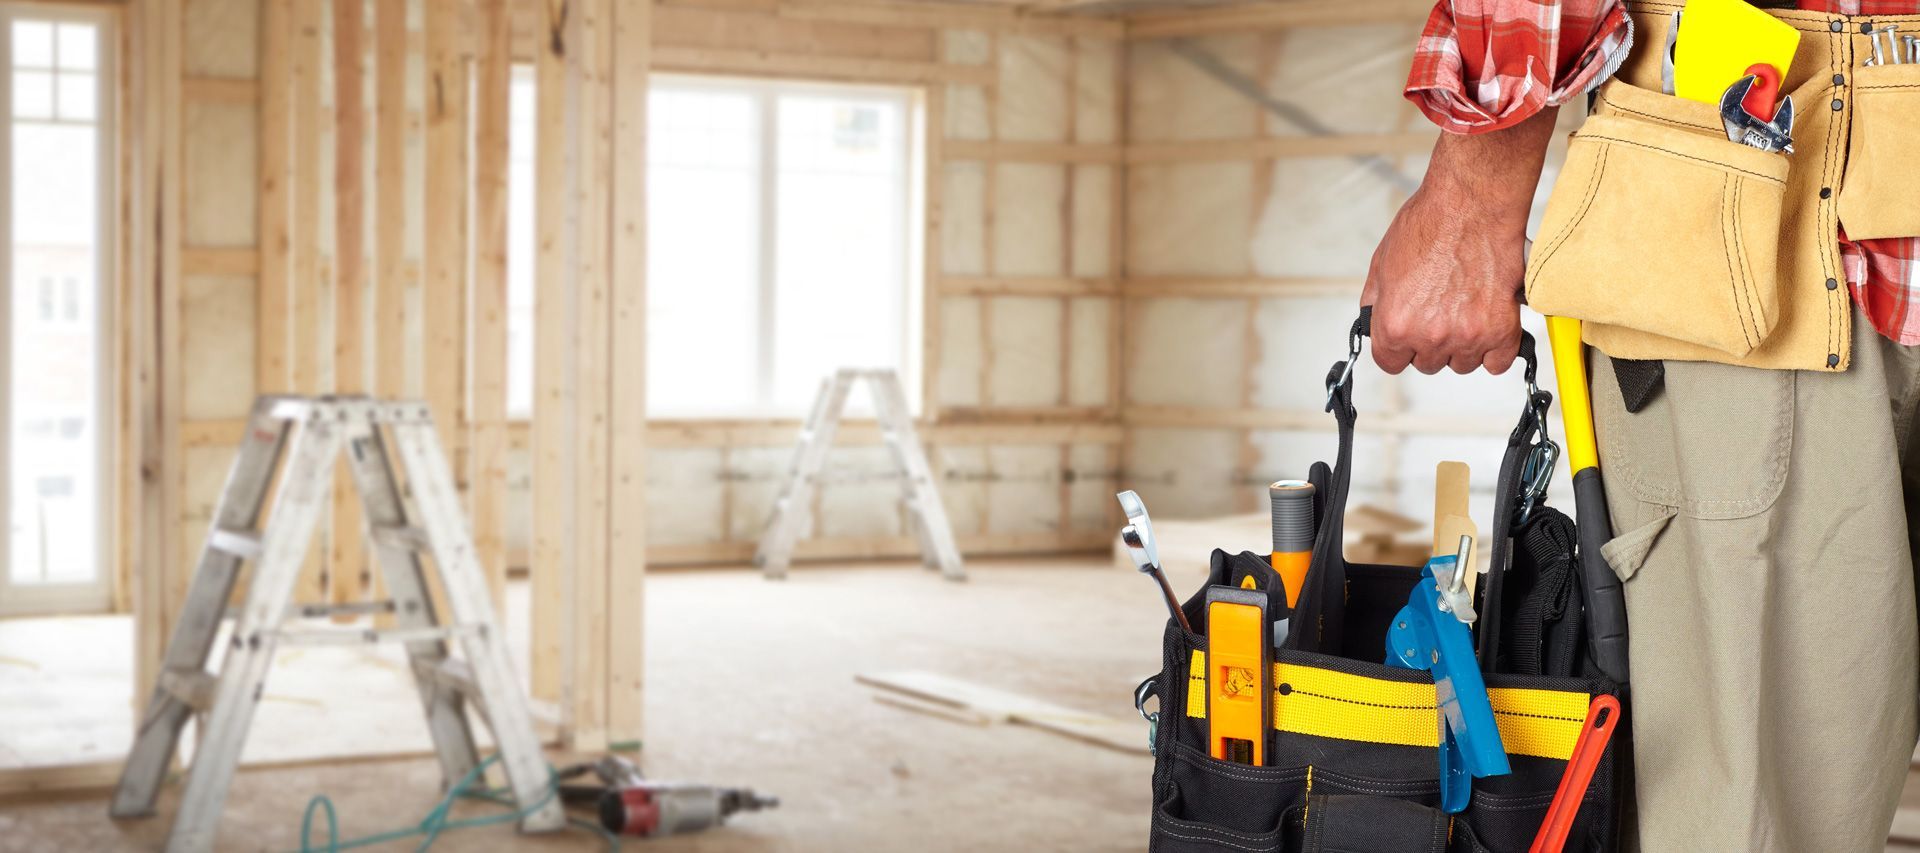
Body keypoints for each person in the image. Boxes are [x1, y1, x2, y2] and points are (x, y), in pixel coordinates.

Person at [1366, 0, 1920, 849]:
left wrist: (1473, 199)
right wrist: (1477, 195)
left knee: (1738, 814)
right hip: (1761, 225)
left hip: (1754, 220)